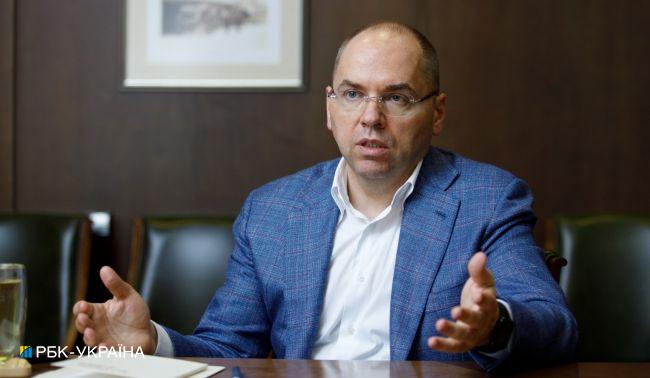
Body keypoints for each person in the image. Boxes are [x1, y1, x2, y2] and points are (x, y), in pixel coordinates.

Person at [73, 22, 577, 371]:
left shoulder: (488, 199)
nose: (371, 117)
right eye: (353, 94)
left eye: (397, 97)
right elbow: (229, 348)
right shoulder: (272, 210)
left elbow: (556, 327)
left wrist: (494, 325)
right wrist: (154, 343)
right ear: (330, 109)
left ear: (437, 112)